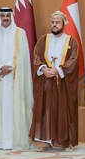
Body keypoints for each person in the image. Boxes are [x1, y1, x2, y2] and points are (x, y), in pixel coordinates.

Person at [30, 11, 80, 151]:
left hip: (63, 83)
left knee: (64, 110)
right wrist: (43, 68)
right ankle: (45, 140)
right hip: (46, 81)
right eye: (53, 22)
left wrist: (58, 70)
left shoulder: (71, 41)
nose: (54, 25)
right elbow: (36, 56)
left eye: (57, 22)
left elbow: (73, 59)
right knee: (45, 110)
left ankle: (65, 141)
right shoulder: (43, 40)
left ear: (64, 24)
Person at [0, 7, 33, 150]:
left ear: (11, 17)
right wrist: (0, 67)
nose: (5, 18)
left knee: (14, 107)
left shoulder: (20, 33)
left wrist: (9, 67)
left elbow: (22, 54)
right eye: (3, 16)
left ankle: (14, 140)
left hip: (14, 77)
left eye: (8, 16)